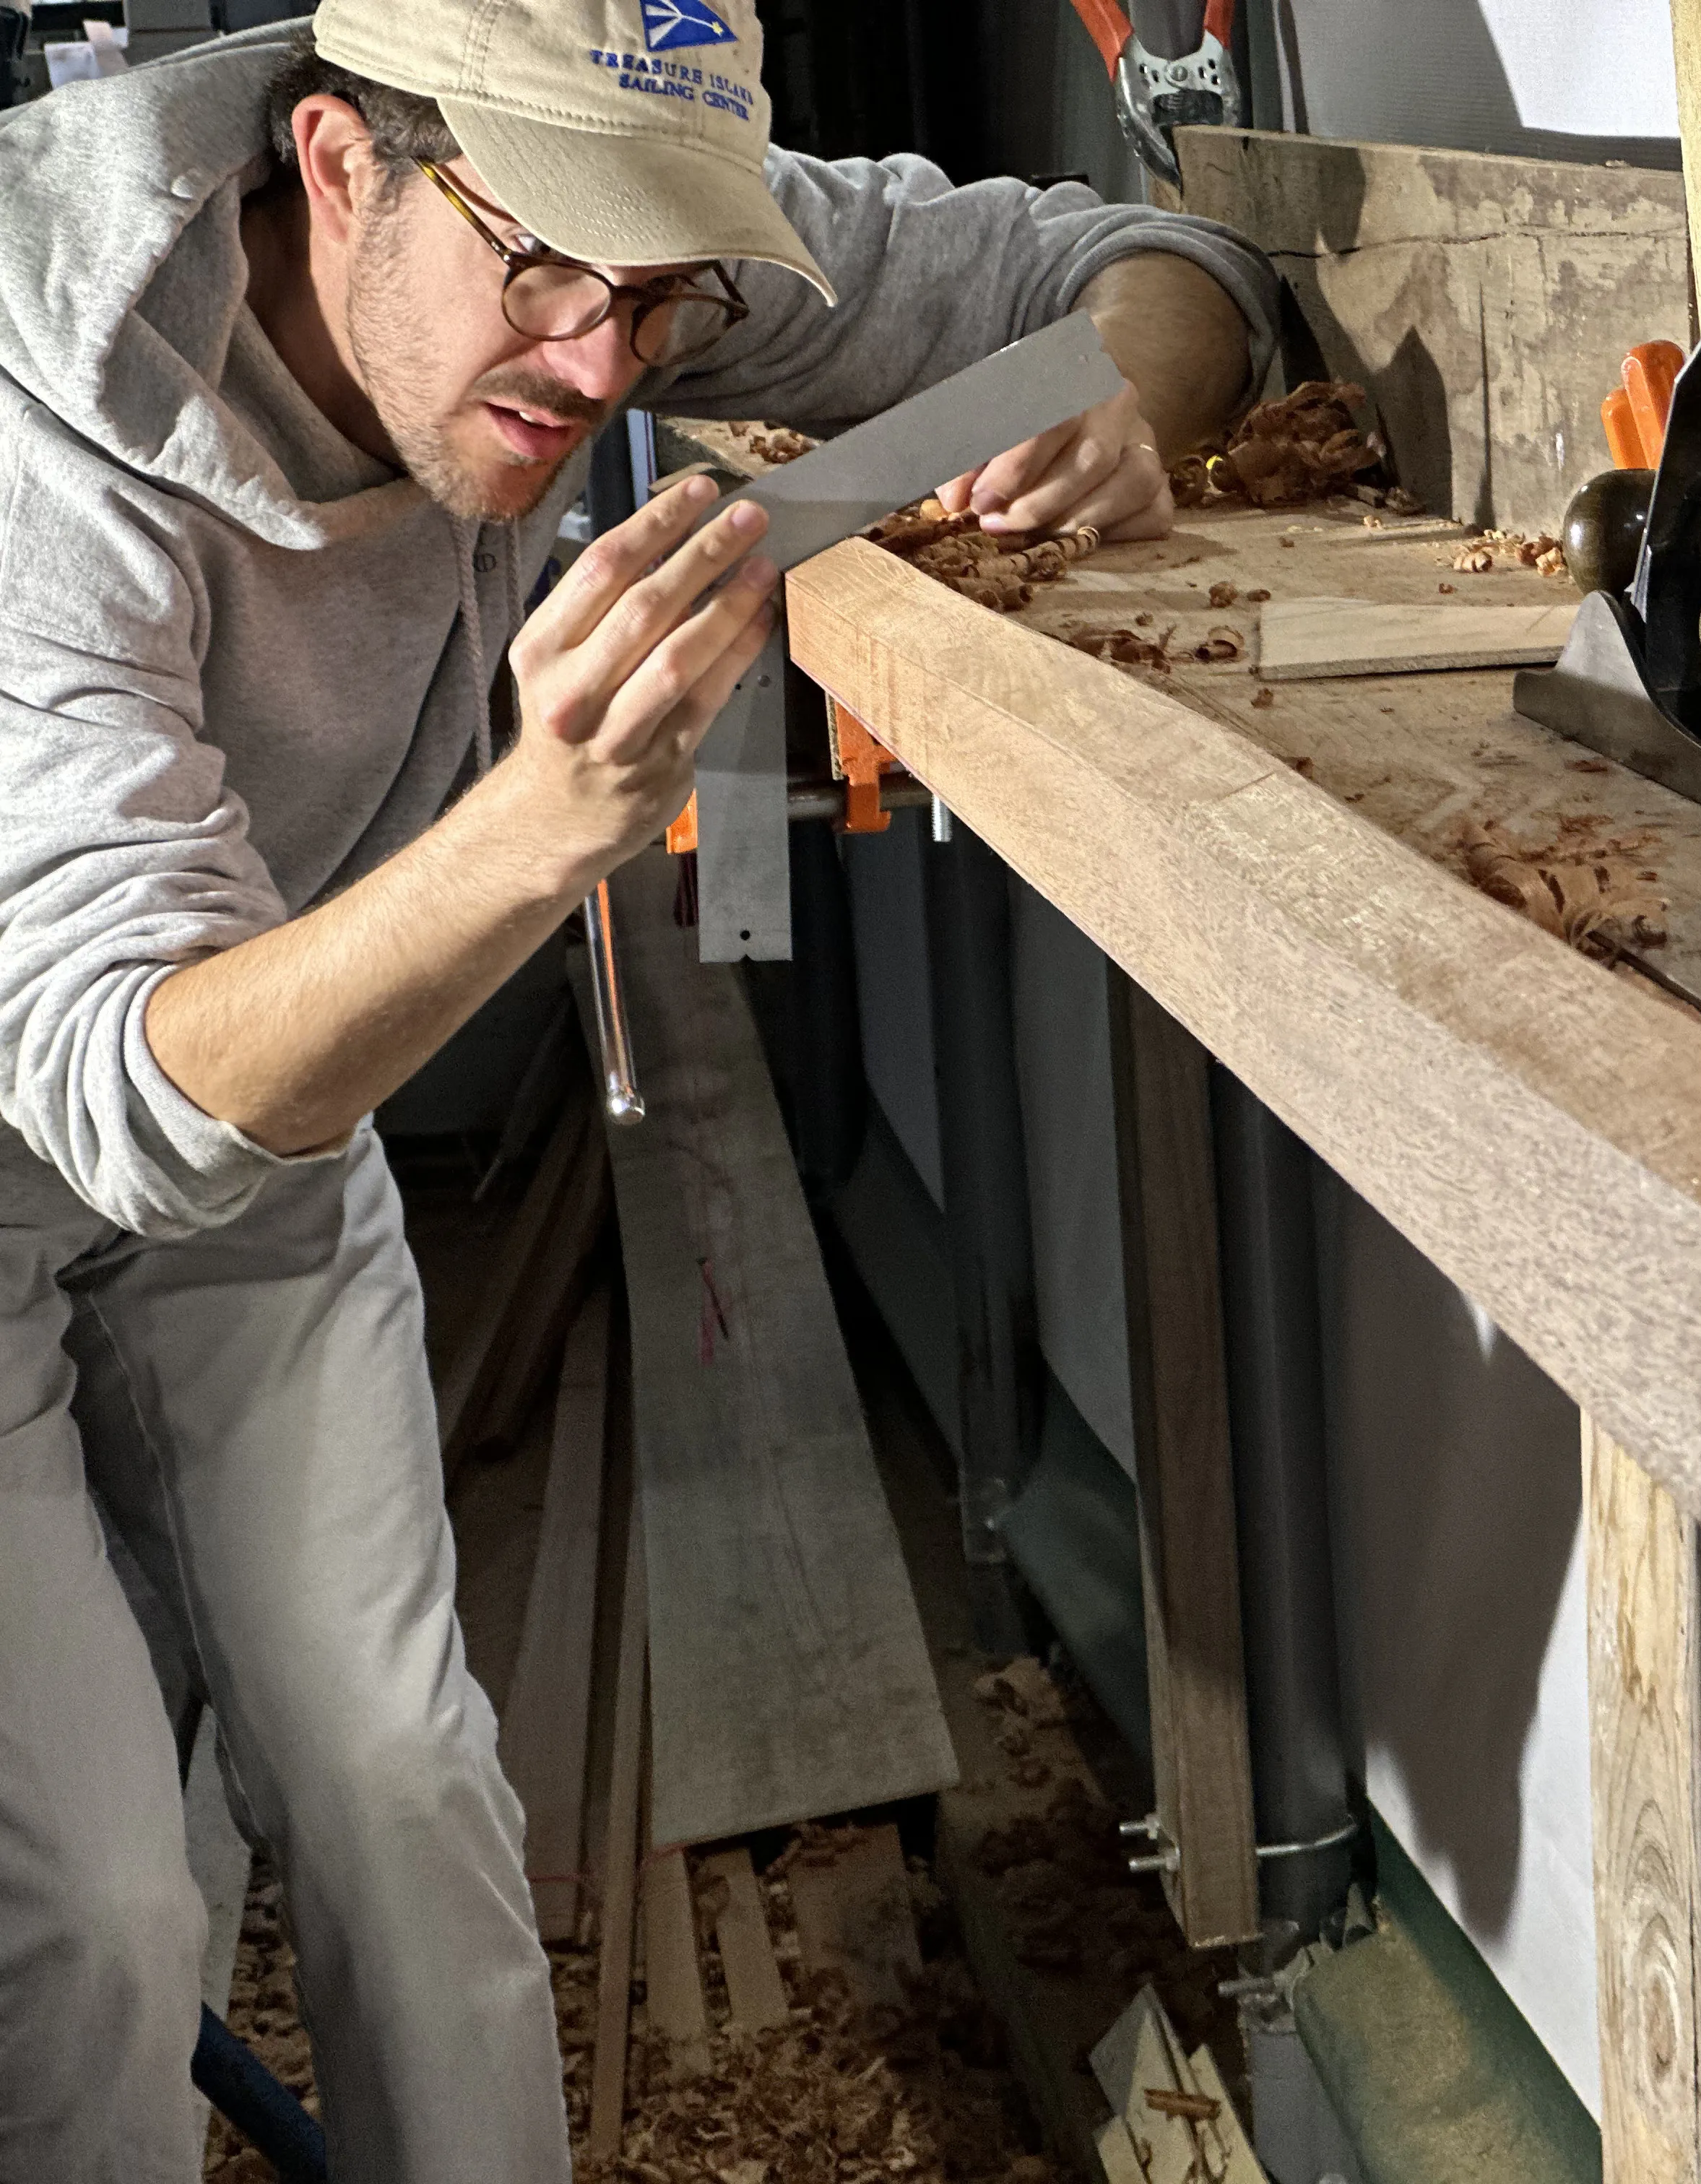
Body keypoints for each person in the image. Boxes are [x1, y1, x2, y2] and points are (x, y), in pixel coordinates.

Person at [0, 0, 1271, 2170]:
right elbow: (126, 1091)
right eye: (548, 270)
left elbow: (1146, 271)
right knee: (102, 1923)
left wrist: (1115, 411)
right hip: (84, 1093)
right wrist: (539, 824)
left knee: (406, 1786)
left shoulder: (596, 291)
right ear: (335, 163)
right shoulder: (43, 430)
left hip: (264, 1097)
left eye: (664, 293)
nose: (606, 367)